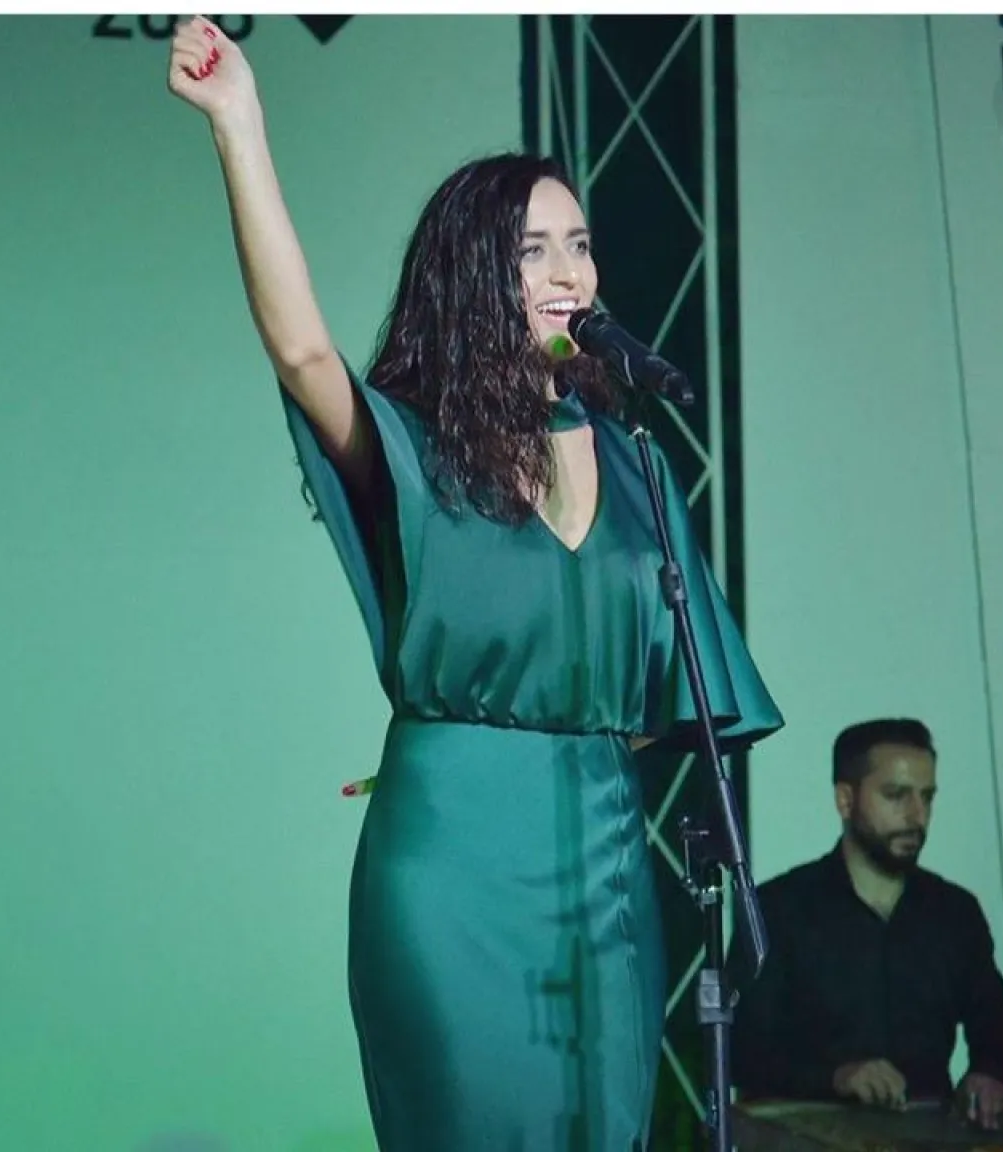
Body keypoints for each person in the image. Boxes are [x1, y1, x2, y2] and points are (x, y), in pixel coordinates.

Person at [166, 17, 783, 1151]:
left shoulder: (639, 463)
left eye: (579, 245)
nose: (569, 272)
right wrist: (238, 122)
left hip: (602, 875)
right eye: (533, 250)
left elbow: (681, 695)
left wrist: (545, 734)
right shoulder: (415, 446)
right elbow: (303, 354)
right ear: (471, 276)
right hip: (450, 874)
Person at [729, 718, 1003, 1130]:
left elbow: (1000, 1038)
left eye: (927, 796)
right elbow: (741, 1052)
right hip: (808, 1138)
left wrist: (988, 1076)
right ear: (845, 799)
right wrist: (837, 1077)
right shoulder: (779, 909)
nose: (917, 815)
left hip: (928, 1136)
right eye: (896, 795)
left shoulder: (955, 912)